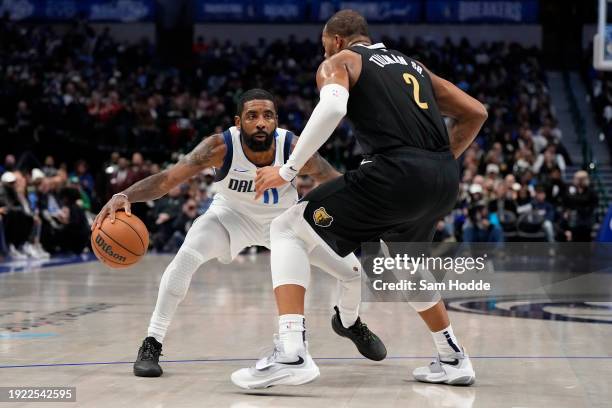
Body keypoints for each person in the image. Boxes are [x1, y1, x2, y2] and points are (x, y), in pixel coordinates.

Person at [234, 10, 487, 388]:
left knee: (286, 228)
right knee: (406, 267)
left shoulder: (343, 60)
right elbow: (476, 112)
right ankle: (453, 357)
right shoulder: (413, 67)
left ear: (336, 40)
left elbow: (334, 107)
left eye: (323, 47)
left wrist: (287, 170)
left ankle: (291, 352)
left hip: (394, 173)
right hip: (442, 178)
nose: (324, 56)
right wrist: (436, 162)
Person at [93, 89, 386, 379]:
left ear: (276, 121)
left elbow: (334, 181)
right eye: (252, 116)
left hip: (286, 224)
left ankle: (348, 321)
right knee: (184, 258)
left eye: (268, 115)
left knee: (352, 273)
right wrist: (125, 195)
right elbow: (168, 180)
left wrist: (379, 207)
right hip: (230, 218)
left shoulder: (295, 148)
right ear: (238, 122)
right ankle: (152, 341)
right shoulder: (218, 147)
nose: (261, 122)